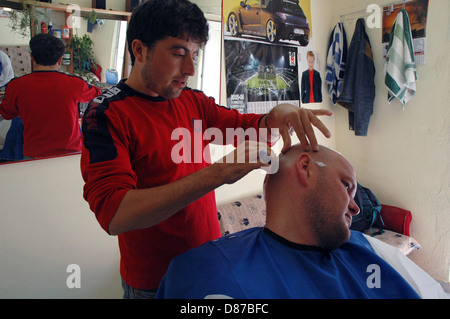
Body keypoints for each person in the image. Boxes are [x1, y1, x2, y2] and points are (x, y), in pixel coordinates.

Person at [80, 0, 332, 299]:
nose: (189, 68)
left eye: (195, 55)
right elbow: (115, 214)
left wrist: (277, 116)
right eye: (178, 53)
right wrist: (218, 173)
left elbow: (248, 129)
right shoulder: (106, 113)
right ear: (139, 50)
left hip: (210, 261)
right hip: (154, 282)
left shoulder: (193, 101)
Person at [156, 144, 448, 299]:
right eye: (347, 185)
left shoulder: (369, 250)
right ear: (306, 168)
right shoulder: (209, 272)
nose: (357, 208)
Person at [0, 33, 101, 159]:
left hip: (33, 155)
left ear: (32, 57)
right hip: (70, 153)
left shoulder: (16, 86)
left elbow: (6, 113)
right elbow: (97, 94)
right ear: (59, 60)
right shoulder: (76, 84)